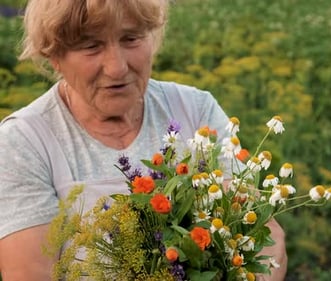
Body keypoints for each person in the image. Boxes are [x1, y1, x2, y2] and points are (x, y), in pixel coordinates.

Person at [0, 0, 287, 280]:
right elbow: (30, 273)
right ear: (54, 55)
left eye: (131, 38)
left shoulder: (195, 111)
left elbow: (264, 237)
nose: (117, 67)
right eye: (91, 46)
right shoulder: (24, 142)